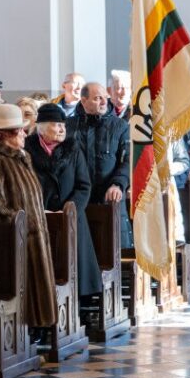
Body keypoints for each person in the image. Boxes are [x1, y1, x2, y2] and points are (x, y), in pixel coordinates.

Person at [0, 104, 57, 331]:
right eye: (20, 130)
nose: (25, 134)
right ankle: (27, 331)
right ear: (5, 134)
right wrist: (18, 222)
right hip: (14, 238)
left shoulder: (22, 156)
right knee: (26, 286)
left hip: (33, 234)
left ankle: (38, 328)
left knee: (38, 285)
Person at [25, 104, 99, 299]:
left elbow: (84, 185)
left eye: (63, 126)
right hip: (41, 216)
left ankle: (79, 305)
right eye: (56, 125)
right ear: (41, 127)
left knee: (76, 265)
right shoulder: (27, 149)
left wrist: (71, 208)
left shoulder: (73, 148)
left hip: (72, 216)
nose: (61, 130)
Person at [67, 82, 132, 252]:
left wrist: (118, 183)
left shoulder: (120, 126)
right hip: (79, 202)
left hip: (109, 201)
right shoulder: (69, 127)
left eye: (105, 97)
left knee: (112, 252)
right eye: (97, 98)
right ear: (83, 101)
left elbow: (128, 161)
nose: (104, 102)